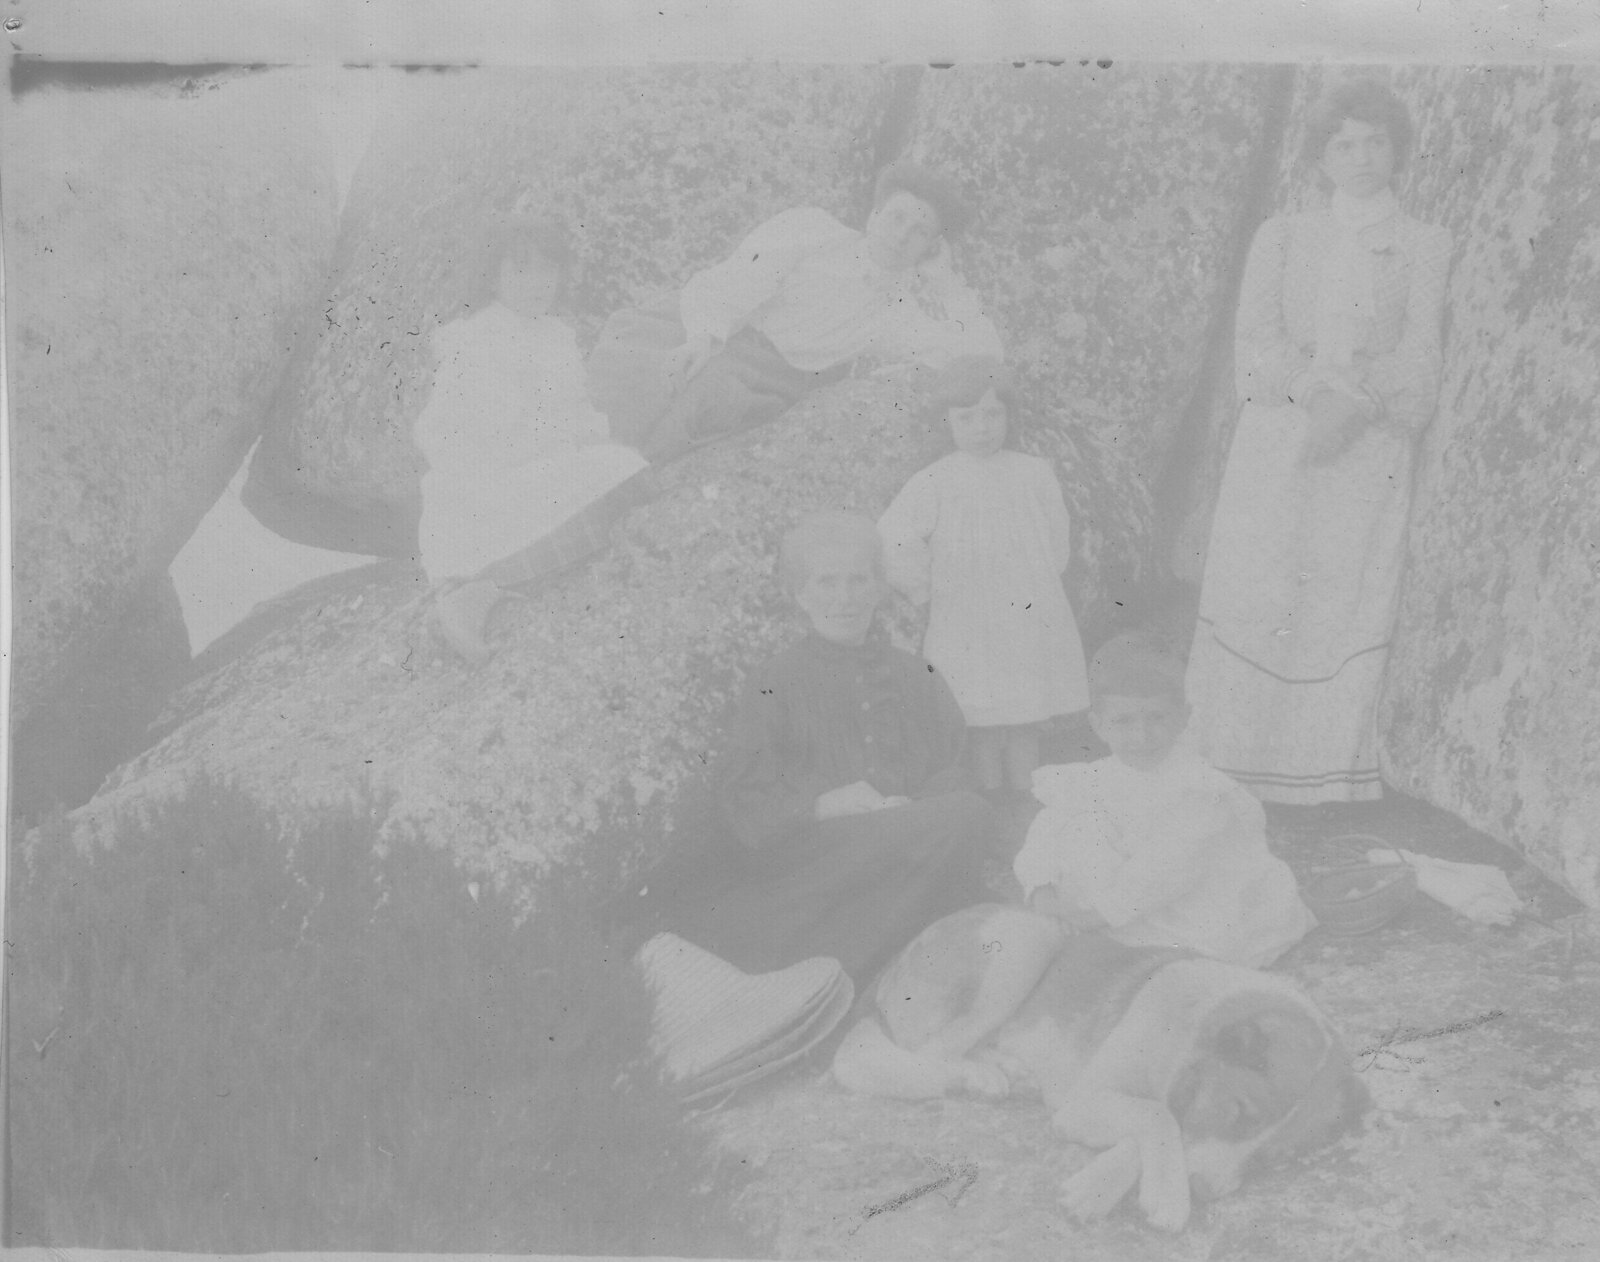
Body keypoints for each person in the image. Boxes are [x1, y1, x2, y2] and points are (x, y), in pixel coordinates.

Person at [633, 512, 998, 1085]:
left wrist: (907, 812)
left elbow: (953, 771)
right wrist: (825, 803)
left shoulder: (917, 674)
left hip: (909, 853)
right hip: (813, 867)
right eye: (825, 583)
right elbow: (742, 803)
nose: (844, 597)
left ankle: (854, 998)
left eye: (858, 580)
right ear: (798, 595)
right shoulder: (776, 680)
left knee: (966, 816)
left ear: (879, 586)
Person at [1185, 79, 1454, 804]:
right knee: (1264, 588)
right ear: (1321, 158)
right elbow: (1255, 352)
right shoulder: (1283, 235)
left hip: (1367, 451)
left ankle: (1318, 783)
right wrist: (1316, 393)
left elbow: (1420, 364)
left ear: (1397, 150)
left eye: (1375, 142)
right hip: (1281, 437)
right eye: (1343, 144)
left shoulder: (1426, 245)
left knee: (1337, 592)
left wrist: (1357, 404)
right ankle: (1230, 769)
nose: (1361, 157)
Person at [587, 160, 1005, 465]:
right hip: (713, 321)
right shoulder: (814, 232)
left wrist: (947, 283)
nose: (901, 236)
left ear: (929, 248)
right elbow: (739, 279)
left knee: (692, 409)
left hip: (763, 376)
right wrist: (703, 335)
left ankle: (608, 484)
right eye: (896, 217)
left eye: (920, 233)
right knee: (636, 368)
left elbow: (981, 357)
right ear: (874, 214)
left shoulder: (899, 312)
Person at [413, 214, 649, 661]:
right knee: (604, 479)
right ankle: (472, 591)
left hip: (537, 465)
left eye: (548, 270)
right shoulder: (477, 340)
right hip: (482, 481)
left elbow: (574, 411)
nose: (539, 283)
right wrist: (564, 444)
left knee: (624, 469)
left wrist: (589, 434)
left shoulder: (555, 336)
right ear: (494, 277)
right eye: (521, 271)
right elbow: (477, 434)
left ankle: (495, 581)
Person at [1014, 633, 1317, 969]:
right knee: (1077, 824)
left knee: (1176, 950)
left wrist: (1093, 917)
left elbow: (1164, 873)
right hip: (1125, 899)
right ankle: (1082, 922)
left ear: (1184, 718)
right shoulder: (1094, 777)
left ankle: (1100, 930)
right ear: (1098, 725)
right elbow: (1045, 833)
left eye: (1157, 718)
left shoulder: (1199, 790)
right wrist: (1042, 894)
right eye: (1123, 721)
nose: (1142, 737)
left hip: (1195, 904)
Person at [877, 357, 1088, 795]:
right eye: (967, 417)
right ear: (947, 422)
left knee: (1026, 715)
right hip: (967, 614)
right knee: (983, 720)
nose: (982, 427)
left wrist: (1042, 581)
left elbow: (1056, 534)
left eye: (993, 414)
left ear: (1010, 416)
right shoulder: (934, 481)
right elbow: (894, 539)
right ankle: (990, 799)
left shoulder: (1034, 472)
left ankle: (1026, 798)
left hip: (1027, 610)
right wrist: (922, 589)